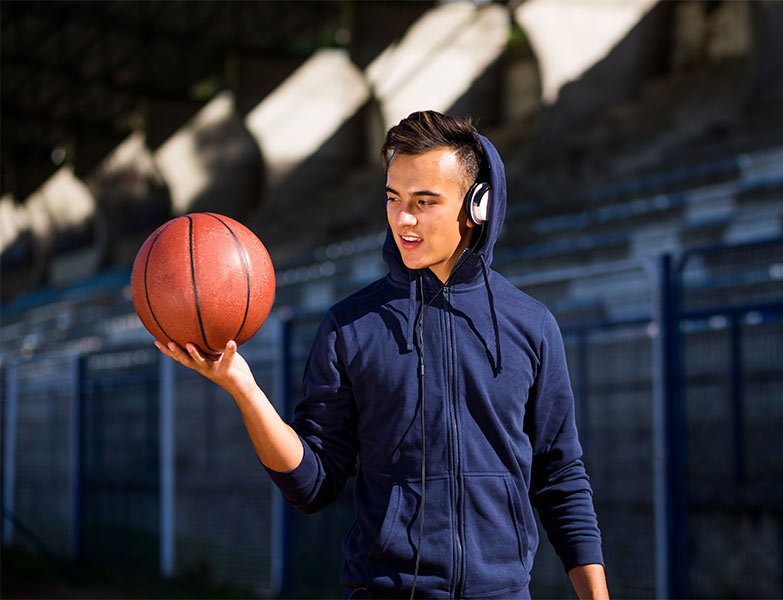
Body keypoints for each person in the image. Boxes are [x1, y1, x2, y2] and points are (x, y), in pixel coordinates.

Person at [155, 110, 609, 599]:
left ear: (478, 206)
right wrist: (242, 388)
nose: (403, 219)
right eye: (393, 199)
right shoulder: (350, 327)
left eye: (424, 201)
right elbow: (312, 485)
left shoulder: (532, 324)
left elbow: (560, 479)